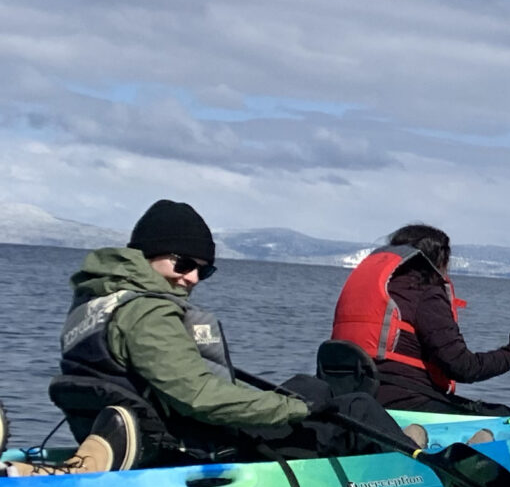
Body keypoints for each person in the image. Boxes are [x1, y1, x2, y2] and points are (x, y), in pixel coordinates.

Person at [45, 199, 407, 470]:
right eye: (183, 264)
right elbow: (200, 397)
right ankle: (416, 473)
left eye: (204, 271)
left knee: (308, 386)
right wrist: (294, 409)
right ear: (147, 254)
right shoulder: (148, 311)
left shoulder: (97, 302)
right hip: (192, 449)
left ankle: (398, 446)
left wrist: (298, 401)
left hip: (147, 436)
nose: (191, 279)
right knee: (355, 406)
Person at [330, 225, 510, 416]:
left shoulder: (370, 289)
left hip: (353, 396)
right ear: (438, 260)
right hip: (405, 403)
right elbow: (464, 367)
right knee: (500, 416)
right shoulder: (424, 292)